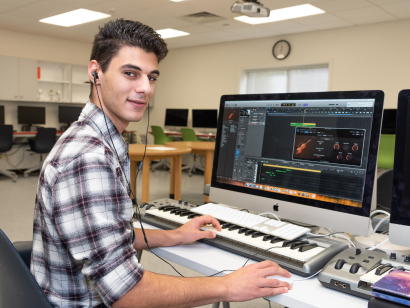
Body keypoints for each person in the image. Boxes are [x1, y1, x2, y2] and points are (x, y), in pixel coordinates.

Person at [31, 19, 292, 308]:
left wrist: (175, 235)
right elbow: (126, 293)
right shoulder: (88, 159)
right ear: (96, 73)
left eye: (152, 77)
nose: (145, 88)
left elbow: (110, 238)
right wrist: (227, 286)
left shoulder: (97, 140)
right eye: (131, 73)